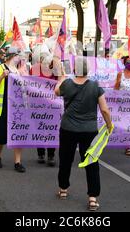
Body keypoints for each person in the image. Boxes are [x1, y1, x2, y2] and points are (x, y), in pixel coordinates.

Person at [54, 56, 113, 211]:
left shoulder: (67, 84)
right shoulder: (95, 86)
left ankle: (63, 189)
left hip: (68, 128)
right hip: (89, 130)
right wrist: (109, 125)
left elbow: (56, 91)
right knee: (92, 163)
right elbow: (105, 109)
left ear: (74, 70)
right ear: (88, 70)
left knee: (65, 159)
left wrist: (61, 77)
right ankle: (93, 198)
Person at [0, 47, 26, 172]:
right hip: (3, 106)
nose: (20, 58)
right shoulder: (0, 69)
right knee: (1, 134)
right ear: (12, 56)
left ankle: (17, 162)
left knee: (18, 133)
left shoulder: (19, 71)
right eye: (18, 55)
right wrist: (2, 77)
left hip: (17, 106)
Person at [33, 53, 58, 165]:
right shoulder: (34, 70)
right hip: (38, 105)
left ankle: (51, 155)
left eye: (47, 60)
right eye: (42, 60)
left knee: (51, 130)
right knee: (39, 129)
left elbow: (61, 81)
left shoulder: (55, 71)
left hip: (52, 106)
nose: (44, 62)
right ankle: (41, 154)